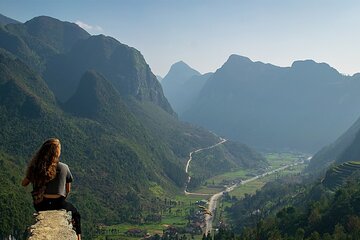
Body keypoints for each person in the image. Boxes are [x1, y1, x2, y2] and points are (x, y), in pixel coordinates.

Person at [21, 138, 81, 240]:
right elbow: (68, 190)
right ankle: (79, 238)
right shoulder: (64, 167)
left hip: (40, 204)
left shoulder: (37, 167)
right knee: (76, 214)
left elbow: (24, 183)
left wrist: (33, 175)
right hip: (59, 203)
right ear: (57, 152)